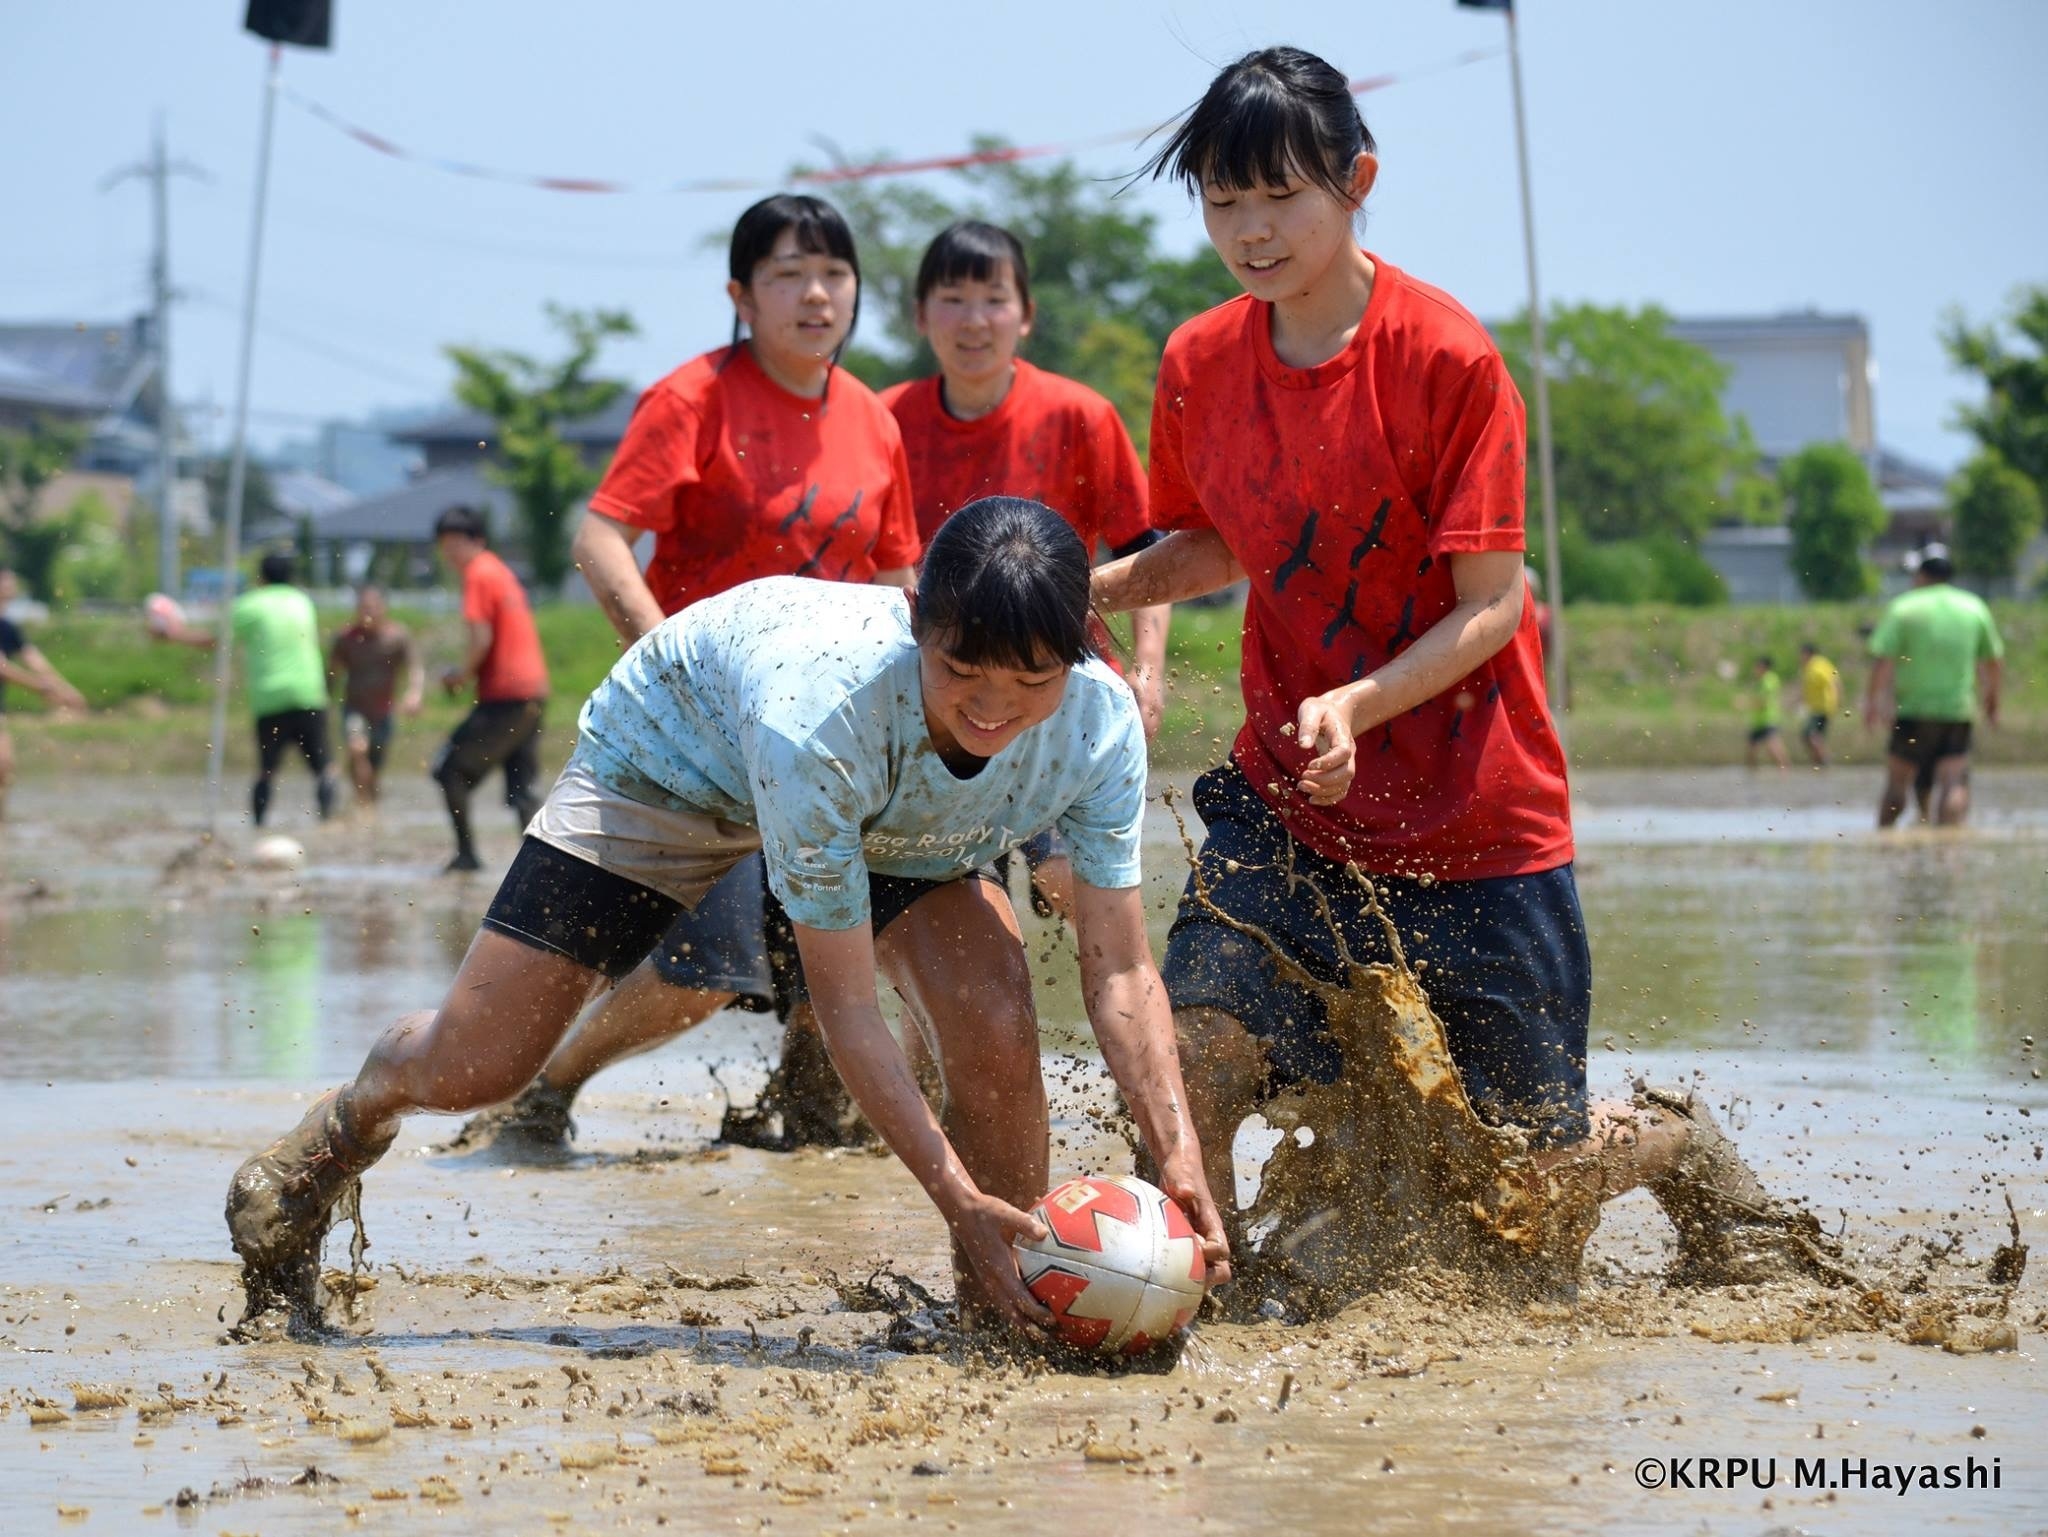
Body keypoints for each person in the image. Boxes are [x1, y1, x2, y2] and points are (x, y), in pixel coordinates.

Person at [1091, 45, 1813, 1302]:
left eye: (1280, 198)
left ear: (1355, 180)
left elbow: (1496, 605)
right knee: (1190, 1056)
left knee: (1508, 1215)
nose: (1249, 231)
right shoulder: (1199, 363)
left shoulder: (1446, 360)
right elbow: (1211, 538)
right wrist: (1091, 589)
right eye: (1221, 200)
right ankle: (1200, 1297)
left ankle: (1668, 1140)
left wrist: (1358, 704)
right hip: (1290, 798)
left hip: (1477, 818)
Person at [223, 497, 1231, 1342]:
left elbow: (1116, 969)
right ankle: (343, 1122)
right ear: (914, 615)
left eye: (1028, 684)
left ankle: (995, 1316)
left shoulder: (1094, 726)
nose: (991, 710)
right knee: (478, 1062)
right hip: (670, 763)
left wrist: (1173, 1146)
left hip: (897, 809)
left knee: (995, 1012)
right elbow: (844, 1007)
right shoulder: (823, 719)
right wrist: (947, 1192)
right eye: (962, 672)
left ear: (1079, 657)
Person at [457, 192, 921, 1150]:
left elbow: (895, 577)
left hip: (829, 741)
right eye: (788, 274)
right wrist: (666, 659)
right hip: (705, 742)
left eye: (834, 273)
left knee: (847, 950)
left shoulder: (874, 420)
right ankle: (549, 1086)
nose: (816, 294)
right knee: (703, 972)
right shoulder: (693, 397)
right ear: (740, 295)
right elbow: (599, 536)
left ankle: (808, 1113)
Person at [880, 220, 1170, 921]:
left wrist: (1150, 672)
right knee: (955, 927)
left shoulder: (1080, 414)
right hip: (943, 701)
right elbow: (880, 572)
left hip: (1055, 689)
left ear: (1026, 315)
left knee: (1071, 886)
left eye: (994, 298)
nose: (974, 320)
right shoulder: (886, 420)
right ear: (922, 316)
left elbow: (1148, 552)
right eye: (952, 298)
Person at [159, 548, 337, 825]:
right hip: (308, 693)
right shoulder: (303, 602)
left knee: (267, 769)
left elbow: (216, 641)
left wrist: (174, 634)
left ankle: (258, 825)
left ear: (260, 576)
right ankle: (329, 821)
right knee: (324, 768)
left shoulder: (250, 604)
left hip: (270, 697)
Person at [429, 505, 549, 873]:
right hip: (533, 693)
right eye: (444, 545)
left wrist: (460, 676)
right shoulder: (501, 572)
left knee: (448, 770)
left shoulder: (478, 574)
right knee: (521, 787)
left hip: (505, 698)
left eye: (456, 544)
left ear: (476, 541)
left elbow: (481, 638)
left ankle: (467, 855)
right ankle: (541, 868)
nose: (450, 553)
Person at [1864, 543, 2004, 827]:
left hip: (1912, 710)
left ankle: (1883, 841)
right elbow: (1993, 661)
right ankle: (1946, 848)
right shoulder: (1973, 607)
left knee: (1897, 782)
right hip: (1956, 712)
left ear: (1921, 575)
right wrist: (1991, 700)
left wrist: (1873, 702)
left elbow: (1883, 661)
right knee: (1953, 782)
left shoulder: (1904, 608)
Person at [0, 565, 88, 818]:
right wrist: (41, 688)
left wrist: (67, 691)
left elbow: (35, 662)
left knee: (4, 767)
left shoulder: (8, 628)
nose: (11, 586)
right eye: (6, 581)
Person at [326, 584, 423, 806]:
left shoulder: (397, 636)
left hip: (383, 710)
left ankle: (369, 799)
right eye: (363, 607)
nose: (367, 613)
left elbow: (414, 667)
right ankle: (362, 801)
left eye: (372, 607)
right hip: (355, 707)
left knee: (375, 764)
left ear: (383, 608)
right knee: (356, 748)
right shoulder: (345, 638)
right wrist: (325, 700)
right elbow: (332, 672)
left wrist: (414, 693)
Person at [1796, 641, 1841, 767]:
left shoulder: (1819, 665)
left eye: (1801, 654)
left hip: (1824, 707)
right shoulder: (1809, 667)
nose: (1800, 657)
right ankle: (1819, 762)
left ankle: (1825, 760)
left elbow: (1834, 681)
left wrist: (1837, 700)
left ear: (1808, 653)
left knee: (1810, 734)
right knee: (1810, 736)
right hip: (1815, 708)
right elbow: (1807, 687)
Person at [1745, 655, 1789, 772]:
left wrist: (1745, 703)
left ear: (1763, 667)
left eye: (1757, 666)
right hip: (1759, 721)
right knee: (1751, 749)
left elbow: (1763, 702)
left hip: (1769, 719)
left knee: (1773, 747)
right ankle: (1752, 774)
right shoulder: (1761, 681)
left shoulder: (1768, 680)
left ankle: (1784, 771)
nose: (1755, 669)